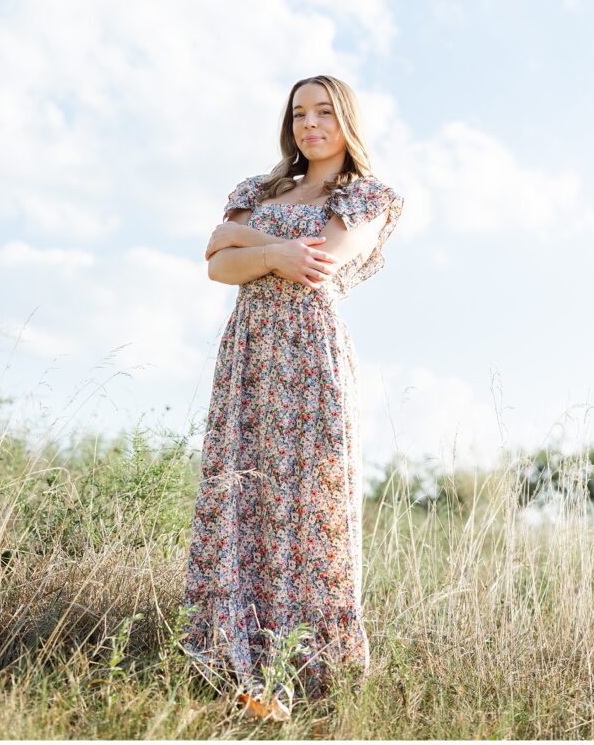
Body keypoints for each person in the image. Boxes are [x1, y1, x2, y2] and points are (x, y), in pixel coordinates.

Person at [180, 74, 404, 720]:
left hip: (311, 357)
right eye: (300, 113)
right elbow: (217, 265)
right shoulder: (259, 190)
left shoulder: (367, 196)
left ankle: (313, 675)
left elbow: (324, 261)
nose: (310, 124)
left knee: (311, 503)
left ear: (347, 120)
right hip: (249, 355)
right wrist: (276, 248)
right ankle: (239, 668)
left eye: (324, 112)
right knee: (242, 494)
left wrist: (249, 244)